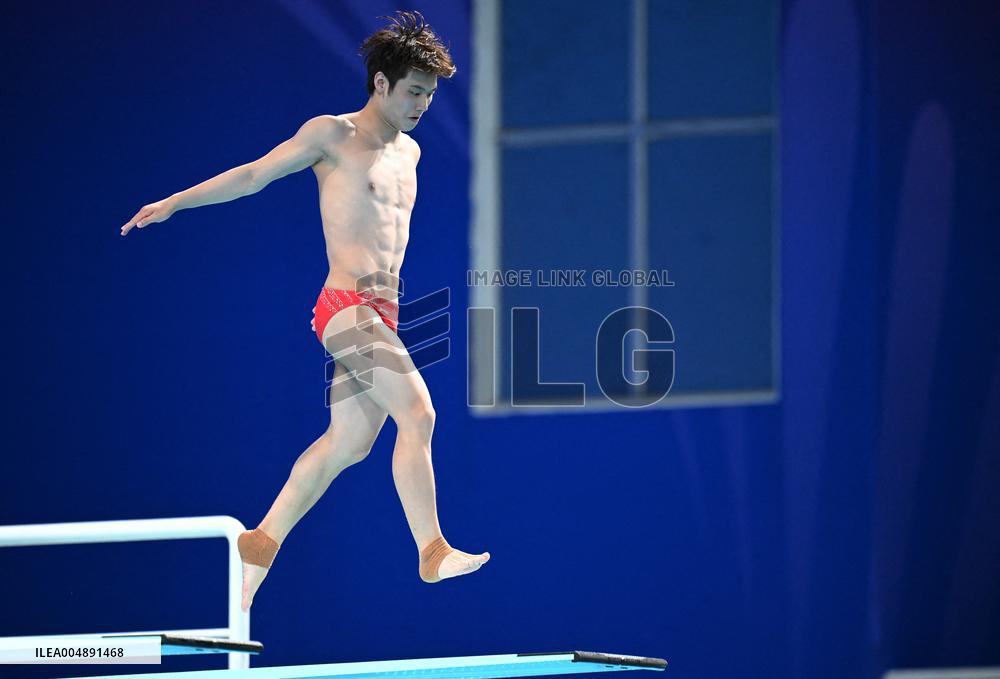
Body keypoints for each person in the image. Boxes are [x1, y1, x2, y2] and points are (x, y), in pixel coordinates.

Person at [120, 11, 489, 611]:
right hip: (344, 306)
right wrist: (175, 203)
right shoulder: (332, 135)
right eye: (415, 91)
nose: (423, 104)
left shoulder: (412, 153)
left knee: (349, 443)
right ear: (380, 85)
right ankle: (432, 551)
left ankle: (259, 543)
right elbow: (252, 176)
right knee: (418, 414)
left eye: (430, 94)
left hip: (384, 314)